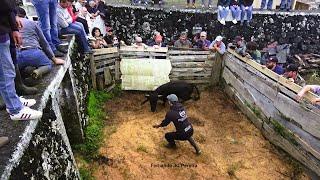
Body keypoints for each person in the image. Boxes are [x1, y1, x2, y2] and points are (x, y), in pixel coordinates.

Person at [0, 0, 43, 148]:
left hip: (4, 26)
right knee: (5, 72)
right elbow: (5, 4)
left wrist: (13, 23)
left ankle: (13, 100)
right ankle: (15, 109)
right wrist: (12, 14)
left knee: (9, 68)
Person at [16, 7, 64, 80]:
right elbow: (44, 43)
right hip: (33, 52)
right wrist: (54, 59)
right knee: (47, 64)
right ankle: (37, 72)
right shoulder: (32, 23)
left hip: (16, 56)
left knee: (18, 69)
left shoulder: (9, 26)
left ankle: (26, 71)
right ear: (24, 15)